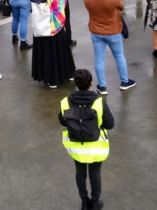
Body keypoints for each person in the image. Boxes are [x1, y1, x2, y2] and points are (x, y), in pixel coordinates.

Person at [59, 68, 113, 210]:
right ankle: (95, 202)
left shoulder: (65, 101)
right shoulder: (99, 102)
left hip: (76, 146)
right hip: (97, 146)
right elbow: (110, 124)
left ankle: (84, 201)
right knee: (95, 173)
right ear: (91, 83)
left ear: (76, 83)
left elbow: (63, 121)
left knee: (80, 172)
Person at [32, 0, 77, 89]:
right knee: (62, 52)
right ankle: (69, 74)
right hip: (56, 29)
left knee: (46, 55)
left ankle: (51, 80)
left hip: (40, 31)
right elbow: (64, 11)